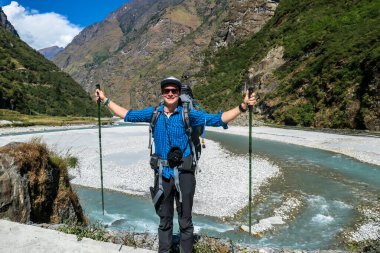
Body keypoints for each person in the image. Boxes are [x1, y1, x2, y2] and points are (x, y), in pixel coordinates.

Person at [95, 76, 256, 253]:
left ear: (179, 94)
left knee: (185, 221)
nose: (170, 93)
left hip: (185, 173)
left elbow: (217, 119)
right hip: (163, 175)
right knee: (164, 221)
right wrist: (105, 100)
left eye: (174, 91)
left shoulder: (189, 114)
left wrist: (242, 107)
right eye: (167, 91)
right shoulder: (153, 113)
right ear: (162, 93)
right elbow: (127, 115)